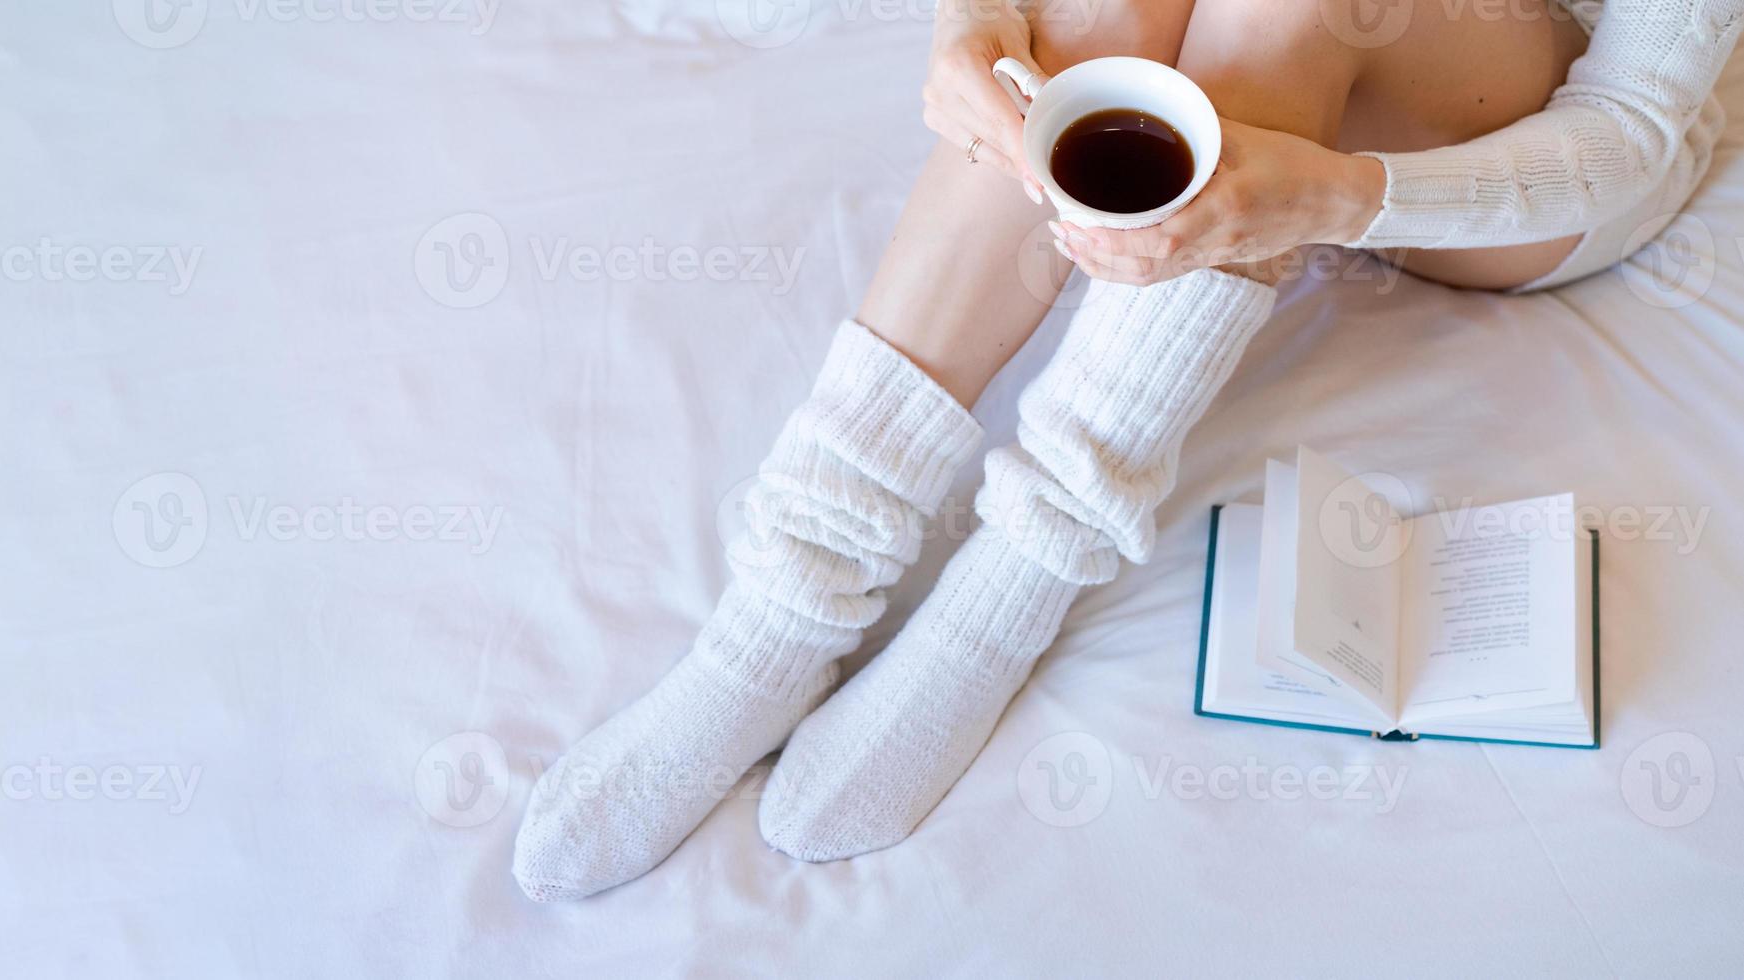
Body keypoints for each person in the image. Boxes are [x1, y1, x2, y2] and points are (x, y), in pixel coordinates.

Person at [513, 0, 1744, 901]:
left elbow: (1625, 129)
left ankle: (1013, 585)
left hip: (1535, 163)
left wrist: (1329, 199)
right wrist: (980, 25)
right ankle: (782, 607)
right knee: (1098, 16)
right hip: (1315, 76)